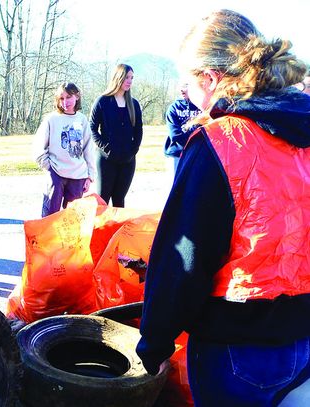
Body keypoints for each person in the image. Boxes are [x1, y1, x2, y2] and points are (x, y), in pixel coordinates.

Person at [136, 9, 310, 407]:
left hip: (238, 351)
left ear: (210, 79)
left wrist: (155, 342)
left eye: (189, 84)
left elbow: (183, 255)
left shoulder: (222, 143)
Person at [33, 82, 96, 217]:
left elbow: (88, 149)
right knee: (50, 215)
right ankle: (48, 239)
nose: (65, 102)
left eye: (68, 97)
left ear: (77, 96)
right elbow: (38, 147)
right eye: (61, 98)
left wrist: (90, 176)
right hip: (56, 173)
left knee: (73, 219)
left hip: (78, 175)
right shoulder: (52, 119)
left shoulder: (82, 120)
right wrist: (49, 167)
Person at [89, 64, 143, 207]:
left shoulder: (134, 104)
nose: (130, 81)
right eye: (126, 77)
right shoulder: (102, 101)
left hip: (127, 161)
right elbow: (92, 129)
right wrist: (106, 148)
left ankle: (118, 230)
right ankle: (100, 229)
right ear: (118, 77)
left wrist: (133, 151)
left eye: (132, 78)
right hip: (106, 160)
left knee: (119, 200)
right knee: (103, 200)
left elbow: (138, 130)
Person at [163, 82, 201, 173]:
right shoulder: (174, 108)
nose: (181, 89)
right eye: (181, 86)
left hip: (197, 154)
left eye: (185, 86)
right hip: (176, 153)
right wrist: (195, 129)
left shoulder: (201, 107)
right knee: (175, 185)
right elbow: (175, 135)